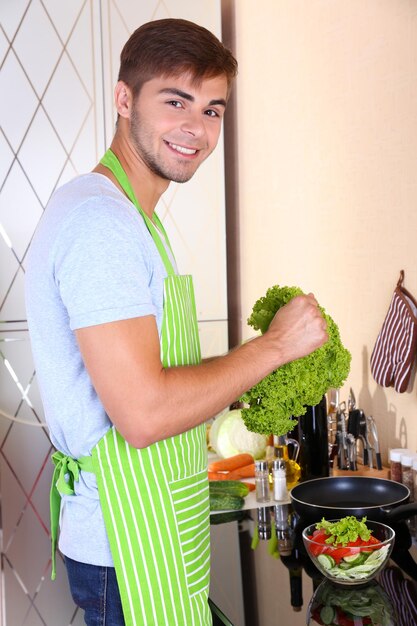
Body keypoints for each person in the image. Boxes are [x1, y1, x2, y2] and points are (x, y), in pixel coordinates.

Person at [25, 18, 328, 626]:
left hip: (149, 535)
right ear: (123, 99)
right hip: (125, 551)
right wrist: (274, 348)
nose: (197, 128)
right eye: (176, 102)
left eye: (213, 110)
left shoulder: (135, 218)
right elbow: (142, 415)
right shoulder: (102, 225)